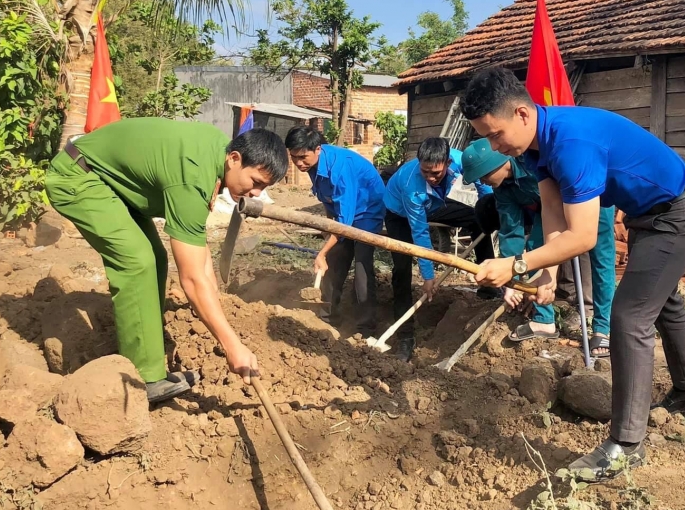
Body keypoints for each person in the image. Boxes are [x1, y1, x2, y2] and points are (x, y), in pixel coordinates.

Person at [460, 67, 685, 481]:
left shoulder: (571, 144)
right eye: (486, 138)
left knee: (630, 317)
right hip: (650, 216)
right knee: (662, 300)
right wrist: (544, 273)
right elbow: (553, 218)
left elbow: (581, 238)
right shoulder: (537, 147)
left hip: (676, 214)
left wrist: (516, 264)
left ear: (522, 115)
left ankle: (626, 445)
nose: (495, 146)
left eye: (495, 134)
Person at [45, 118, 287, 404]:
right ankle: (144, 378)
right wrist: (231, 344)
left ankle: (146, 350)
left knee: (156, 259)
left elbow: (199, 251)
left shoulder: (215, 154)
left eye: (264, 187)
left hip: (112, 184)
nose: (257, 194)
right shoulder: (193, 177)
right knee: (137, 261)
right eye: (256, 182)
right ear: (235, 159)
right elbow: (192, 279)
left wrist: (215, 308)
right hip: (79, 177)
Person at [461, 138, 617, 356]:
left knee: (601, 258)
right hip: (550, 213)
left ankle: (603, 328)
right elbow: (510, 231)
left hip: (588, 195)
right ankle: (544, 320)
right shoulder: (502, 189)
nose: (485, 182)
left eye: (485, 176)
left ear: (498, 163)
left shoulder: (531, 161)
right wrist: (511, 281)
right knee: (535, 250)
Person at [383, 136, 496, 361]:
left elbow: (481, 179)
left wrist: (489, 207)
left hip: (434, 202)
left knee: (476, 220)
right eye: (425, 172)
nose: (431, 177)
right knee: (402, 268)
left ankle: (489, 286)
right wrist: (428, 276)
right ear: (419, 163)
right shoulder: (411, 186)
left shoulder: (460, 159)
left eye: (436, 173)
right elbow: (420, 234)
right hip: (400, 213)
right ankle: (405, 337)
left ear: (447, 162)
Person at [285, 126, 386, 334]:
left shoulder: (340, 169)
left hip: (367, 209)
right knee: (335, 259)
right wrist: (328, 234)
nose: (298, 163)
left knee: (361, 263)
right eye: (294, 157)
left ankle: (365, 328)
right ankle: (327, 319)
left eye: (303, 157)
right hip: (344, 214)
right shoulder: (312, 166)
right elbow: (329, 201)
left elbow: (345, 223)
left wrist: (322, 251)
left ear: (318, 149)